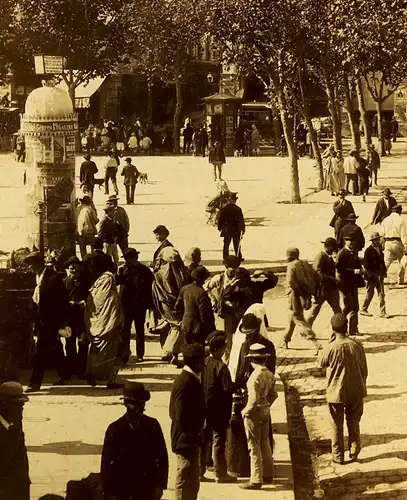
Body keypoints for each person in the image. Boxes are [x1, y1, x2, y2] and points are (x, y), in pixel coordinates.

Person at [101, 381, 168, 500]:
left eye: (142, 404)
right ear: (126, 404)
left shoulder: (152, 425)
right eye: (136, 404)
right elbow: (106, 464)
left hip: (146, 489)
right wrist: (109, 492)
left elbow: (162, 457)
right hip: (122, 491)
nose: (140, 408)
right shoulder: (115, 429)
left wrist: (160, 486)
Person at [319, 313, 368, 464]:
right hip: (356, 390)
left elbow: (321, 362)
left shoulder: (330, 347)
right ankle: (354, 451)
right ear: (346, 327)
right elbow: (364, 370)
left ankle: (338, 455)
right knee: (354, 421)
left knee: (336, 423)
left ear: (333, 329)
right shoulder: (357, 346)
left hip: (336, 391)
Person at [24, 252, 70, 393]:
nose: (30, 268)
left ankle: (35, 383)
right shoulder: (38, 277)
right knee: (55, 347)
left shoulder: (53, 278)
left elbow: (63, 300)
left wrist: (61, 322)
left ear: (38, 263)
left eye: (31, 264)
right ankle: (65, 375)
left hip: (51, 321)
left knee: (40, 352)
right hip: (42, 320)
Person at [170, 343, 205, 500]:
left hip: (189, 439)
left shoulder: (189, 380)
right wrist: (196, 432)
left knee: (192, 481)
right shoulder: (185, 383)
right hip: (186, 440)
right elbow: (180, 416)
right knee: (185, 479)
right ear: (197, 362)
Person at [83, 251, 124, 389]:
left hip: (96, 322)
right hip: (108, 323)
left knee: (96, 350)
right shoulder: (107, 278)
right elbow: (105, 301)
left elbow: (96, 301)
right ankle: (107, 380)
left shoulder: (96, 281)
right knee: (112, 351)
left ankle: (93, 375)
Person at [240, 343, 277, 490]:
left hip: (255, 413)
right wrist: (266, 404)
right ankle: (269, 473)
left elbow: (253, 400)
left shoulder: (254, 377)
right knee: (265, 443)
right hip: (265, 411)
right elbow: (274, 395)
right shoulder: (269, 374)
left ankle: (256, 479)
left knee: (253, 446)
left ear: (251, 360)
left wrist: (246, 411)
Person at [201, 332, 236, 483]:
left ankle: (200, 471)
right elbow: (228, 388)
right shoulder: (222, 368)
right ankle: (220, 473)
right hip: (219, 410)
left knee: (204, 440)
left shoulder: (203, 363)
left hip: (205, 408)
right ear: (220, 349)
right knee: (219, 441)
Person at [153, 247, 191, 364]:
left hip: (165, 304)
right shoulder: (181, 271)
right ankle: (172, 352)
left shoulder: (159, 272)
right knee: (177, 327)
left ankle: (169, 352)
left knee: (174, 326)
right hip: (177, 303)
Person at [116, 248, 154, 363]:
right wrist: (118, 273)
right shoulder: (123, 270)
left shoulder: (144, 270)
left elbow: (150, 288)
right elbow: (116, 282)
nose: (126, 261)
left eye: (128, 259)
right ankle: (125, 353)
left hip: (139, 305)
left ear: (134, 258)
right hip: (126, 305)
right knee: (125, 330)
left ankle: (140, 354)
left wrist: (150, 305)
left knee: (139, 330)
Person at [205, 255, 241, 363]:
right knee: (227, 337)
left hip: (238, 312)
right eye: (231, 268)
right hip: (226, 313)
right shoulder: (219, 278)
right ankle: (227, 361)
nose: (234, 271)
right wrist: (213, 300)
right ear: (226, 267)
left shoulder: (240, 277)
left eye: (236, 268)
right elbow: (206, 288)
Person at [283, 248, 320, 353]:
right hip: (305, 295)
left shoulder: (291, 265)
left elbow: (290, 281)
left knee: (298, 318)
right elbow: (317, 276)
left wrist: (299, 292)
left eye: (287, 255)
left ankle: (314, 341)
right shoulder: (305, 263)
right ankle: (285, 340)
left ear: (291, 256)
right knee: (293, 317)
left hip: (295, 296)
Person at [0, 382, 30, 500]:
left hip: (19, 489)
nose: (22, 408)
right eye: (18, 404)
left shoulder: (14, 425)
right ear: (4, 403)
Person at [174, 266, 215, 345]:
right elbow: (204, 314)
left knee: (188, 349)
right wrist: (210, 328)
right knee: (198, 350)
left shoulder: (184, 289)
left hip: (186, 325)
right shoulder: (201, 292)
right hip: (198, 327)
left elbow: (177, 307)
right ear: (201, 279)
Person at [63, 257, 89, 379]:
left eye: (77, 270)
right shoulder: (63, 282)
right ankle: (71, 368)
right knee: (69, 343)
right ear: (67, 270)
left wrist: (85, 302)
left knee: (83, 342)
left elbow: (92, 297)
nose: (74, 272)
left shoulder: (86, 283)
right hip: (68, 318)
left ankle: (81, 370)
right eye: (72, 269)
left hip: (82, 318)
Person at [307, 238, 341, 328]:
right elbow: (318, 273)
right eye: (333, 248)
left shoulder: (328, 256)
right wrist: (333, 279)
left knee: (337, 310)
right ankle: (306, 330)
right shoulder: (320, 256)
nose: (334, 250)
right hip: (322, 289)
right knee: (315, 311)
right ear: (327, 247)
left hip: (331, 289)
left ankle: (340, 330)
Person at [336, 236, 364, 336]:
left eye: (353, 240)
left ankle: (353, 329)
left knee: (355, 307)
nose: (351, 243)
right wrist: (354, 271)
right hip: (344, 284)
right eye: (349, 241)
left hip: (353, 284)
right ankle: (340, 328)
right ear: (345, 241)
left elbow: (357, 264)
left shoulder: (353, 252)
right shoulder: (342, 253)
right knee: (348, 307)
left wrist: (361, 270)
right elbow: (339, 269)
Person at [360, 232, 388, 318]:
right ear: (372, 241)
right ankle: (363, 309)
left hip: (379, 275)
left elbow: (382, 262)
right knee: (370, 294)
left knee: (381, 294)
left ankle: (382, 312)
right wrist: (372, 275)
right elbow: (366, 266)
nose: (378, 241)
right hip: (371, 277)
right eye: (376, 239)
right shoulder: (368, 251)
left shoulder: (379, 248)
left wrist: (384, 271)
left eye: (378, 239)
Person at [379, 204, 407, 284]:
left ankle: (381, 278)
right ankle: (400, 280)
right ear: (399, 211)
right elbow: (404, 235)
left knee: (386, 262)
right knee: (402, 262)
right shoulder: (401, 220)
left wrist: (382, 243)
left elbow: (381, 233)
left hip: (388, 242)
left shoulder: (386, 220)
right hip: (398, 243)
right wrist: (406, 246)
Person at [218, 192, 245, 260]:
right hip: (236, 230)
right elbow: (241, 220)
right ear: (235, 200)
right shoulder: (238, 209)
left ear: (229, 200)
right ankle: (238, 257)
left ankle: (225, 257)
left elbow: (221, 219)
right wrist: (243, 229)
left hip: (227, 229)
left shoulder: (225, 208)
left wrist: (220, 227)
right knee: (237, 244)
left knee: (226, 244)